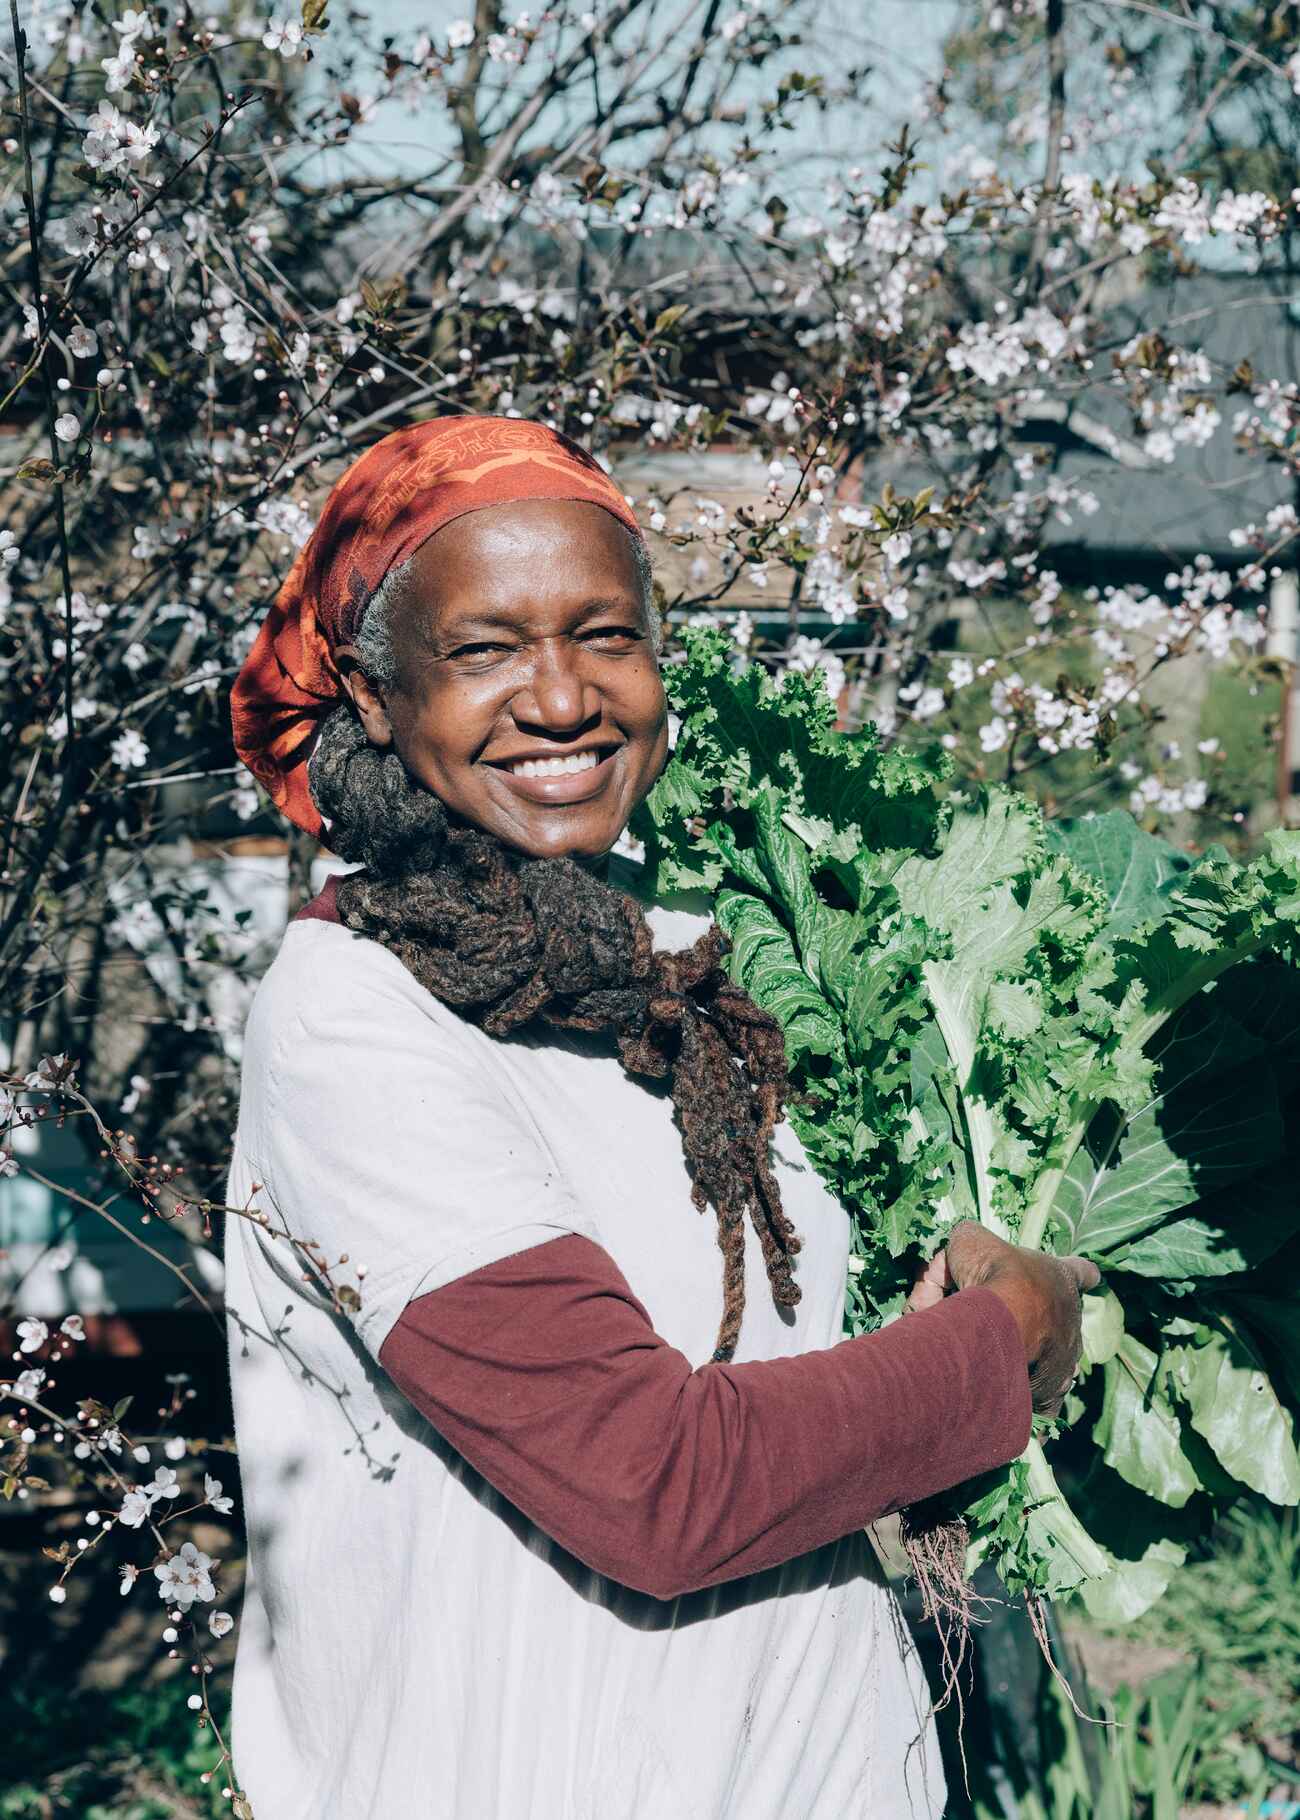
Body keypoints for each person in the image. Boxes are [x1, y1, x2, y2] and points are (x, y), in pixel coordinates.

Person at [225, 413, 1098, 1820]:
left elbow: (796, 1381)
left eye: (604, 635)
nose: (561, 697)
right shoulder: (355, 1019)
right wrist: (1008, 1342)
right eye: (486, 648)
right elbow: (655, 1484)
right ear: (376, 698)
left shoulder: (686, 973)